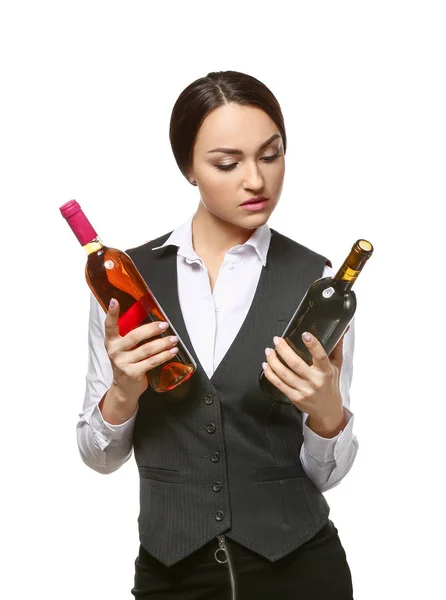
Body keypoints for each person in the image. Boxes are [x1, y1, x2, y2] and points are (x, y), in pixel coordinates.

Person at [77, 70, 358, 599]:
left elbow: (328, 474)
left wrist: (327, 414)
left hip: (301, 572)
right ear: (188, 168)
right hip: (171, 577)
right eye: (227, 164)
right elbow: (99, 456)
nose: (256, 180)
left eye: (271, 155)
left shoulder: (316, 283)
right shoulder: (126, 285)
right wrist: (121, 393)